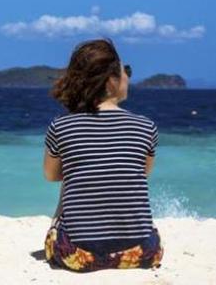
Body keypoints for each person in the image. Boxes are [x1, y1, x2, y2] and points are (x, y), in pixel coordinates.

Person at [42, 37, 164, 272]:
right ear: (110, 81)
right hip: (140, 253)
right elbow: (144, 172)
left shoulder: (62, 125)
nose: (128, 76)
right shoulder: (146, 126)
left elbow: (51, 175)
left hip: (77, 255)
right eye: (124, 70)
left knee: (72, 174)